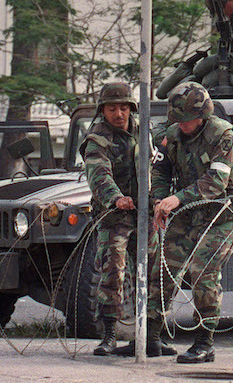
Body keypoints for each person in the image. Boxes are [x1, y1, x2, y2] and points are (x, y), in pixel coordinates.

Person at [142, 81, 233, 364]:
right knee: (163, 270)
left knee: (202, 273)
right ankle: (151, 337)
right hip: (185, 215)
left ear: (203, 115)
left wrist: (177, 199)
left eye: (187, 121)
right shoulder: (172, 135)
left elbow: (216, 182)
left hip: (218, 216)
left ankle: (204, 342)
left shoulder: (222, 136)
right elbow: (160, 170)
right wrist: (160, 203)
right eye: (179, 120)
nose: (183, 126)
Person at [80, 81, 173, 357]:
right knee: (113, 272)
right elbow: (98, 173)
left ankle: (152, 336)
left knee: (155, 273)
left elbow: (158, 165)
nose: (118, 114)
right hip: (114, 215)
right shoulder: (97, 137)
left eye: (123, 108)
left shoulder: (144, 131)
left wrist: (160, 198)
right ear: (102, 110)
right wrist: (115, 197)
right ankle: (109, 335)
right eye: (112, 109)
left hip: (145, 213)